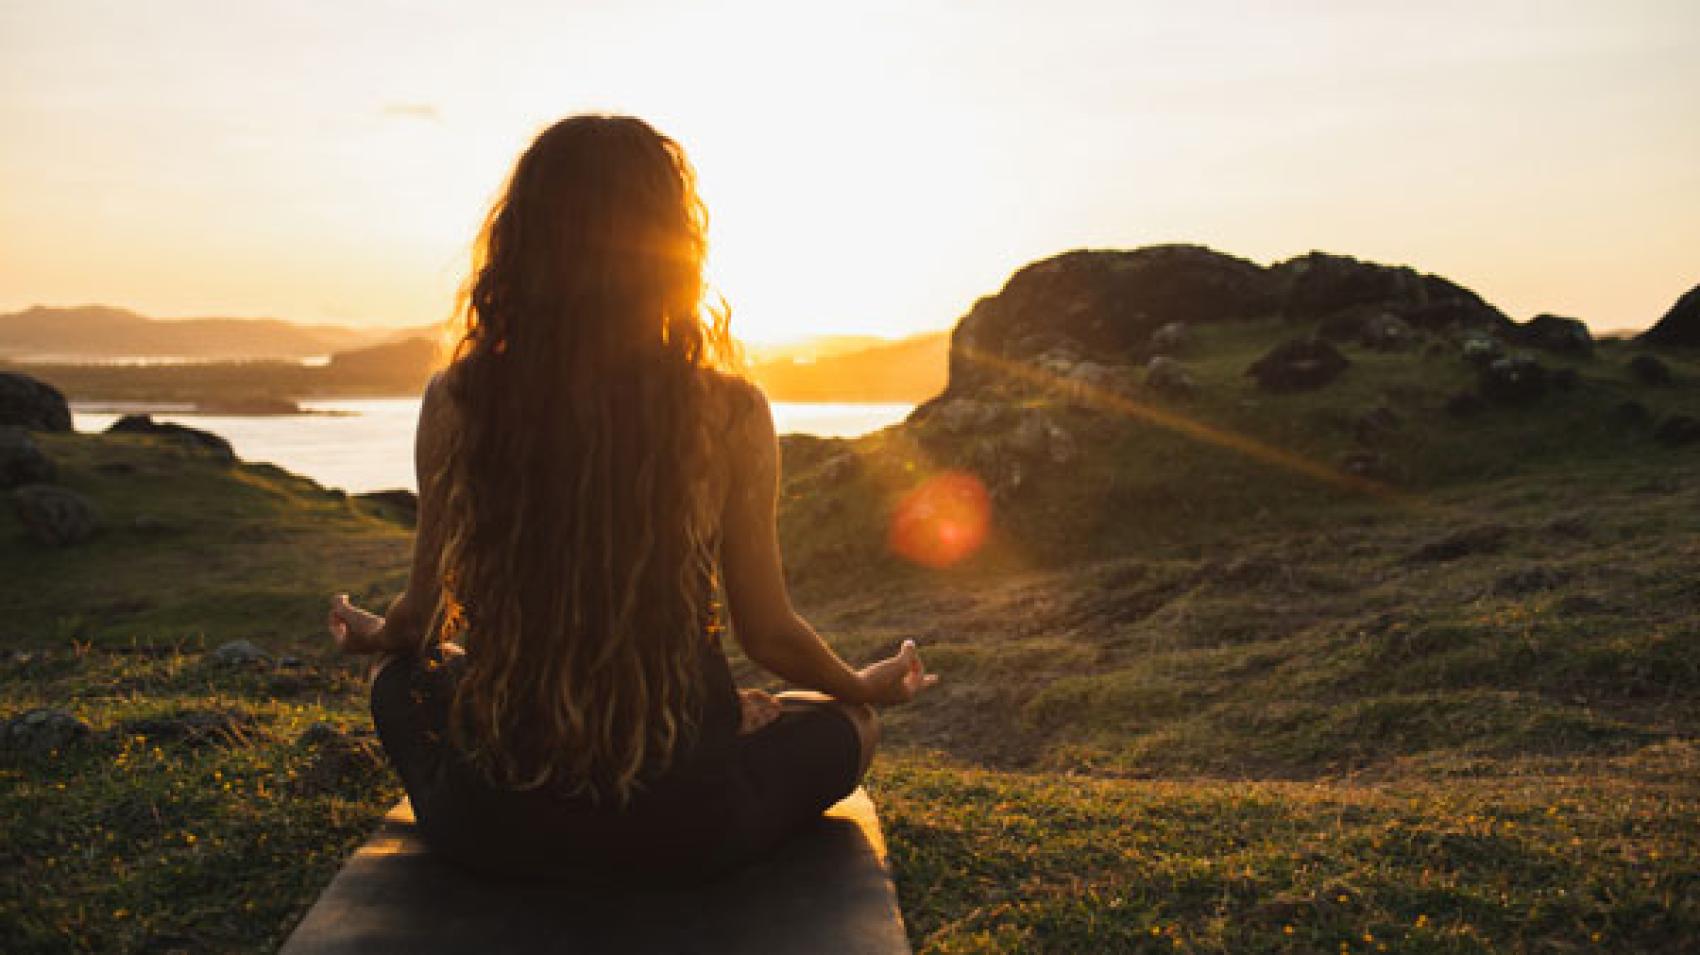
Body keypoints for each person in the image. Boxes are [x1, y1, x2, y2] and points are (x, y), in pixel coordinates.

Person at [325, 114, 937, 886]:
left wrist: (374, 632)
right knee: (850, 726)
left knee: (399, 678)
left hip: (495, 821)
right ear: (671, 251)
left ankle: (707, 724)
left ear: (522, 244)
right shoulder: (729, 410)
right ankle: (708, 727)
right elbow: (769, 630)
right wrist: (860, 684)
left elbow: (417, 625)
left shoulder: (460, 399)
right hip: (688, 821)